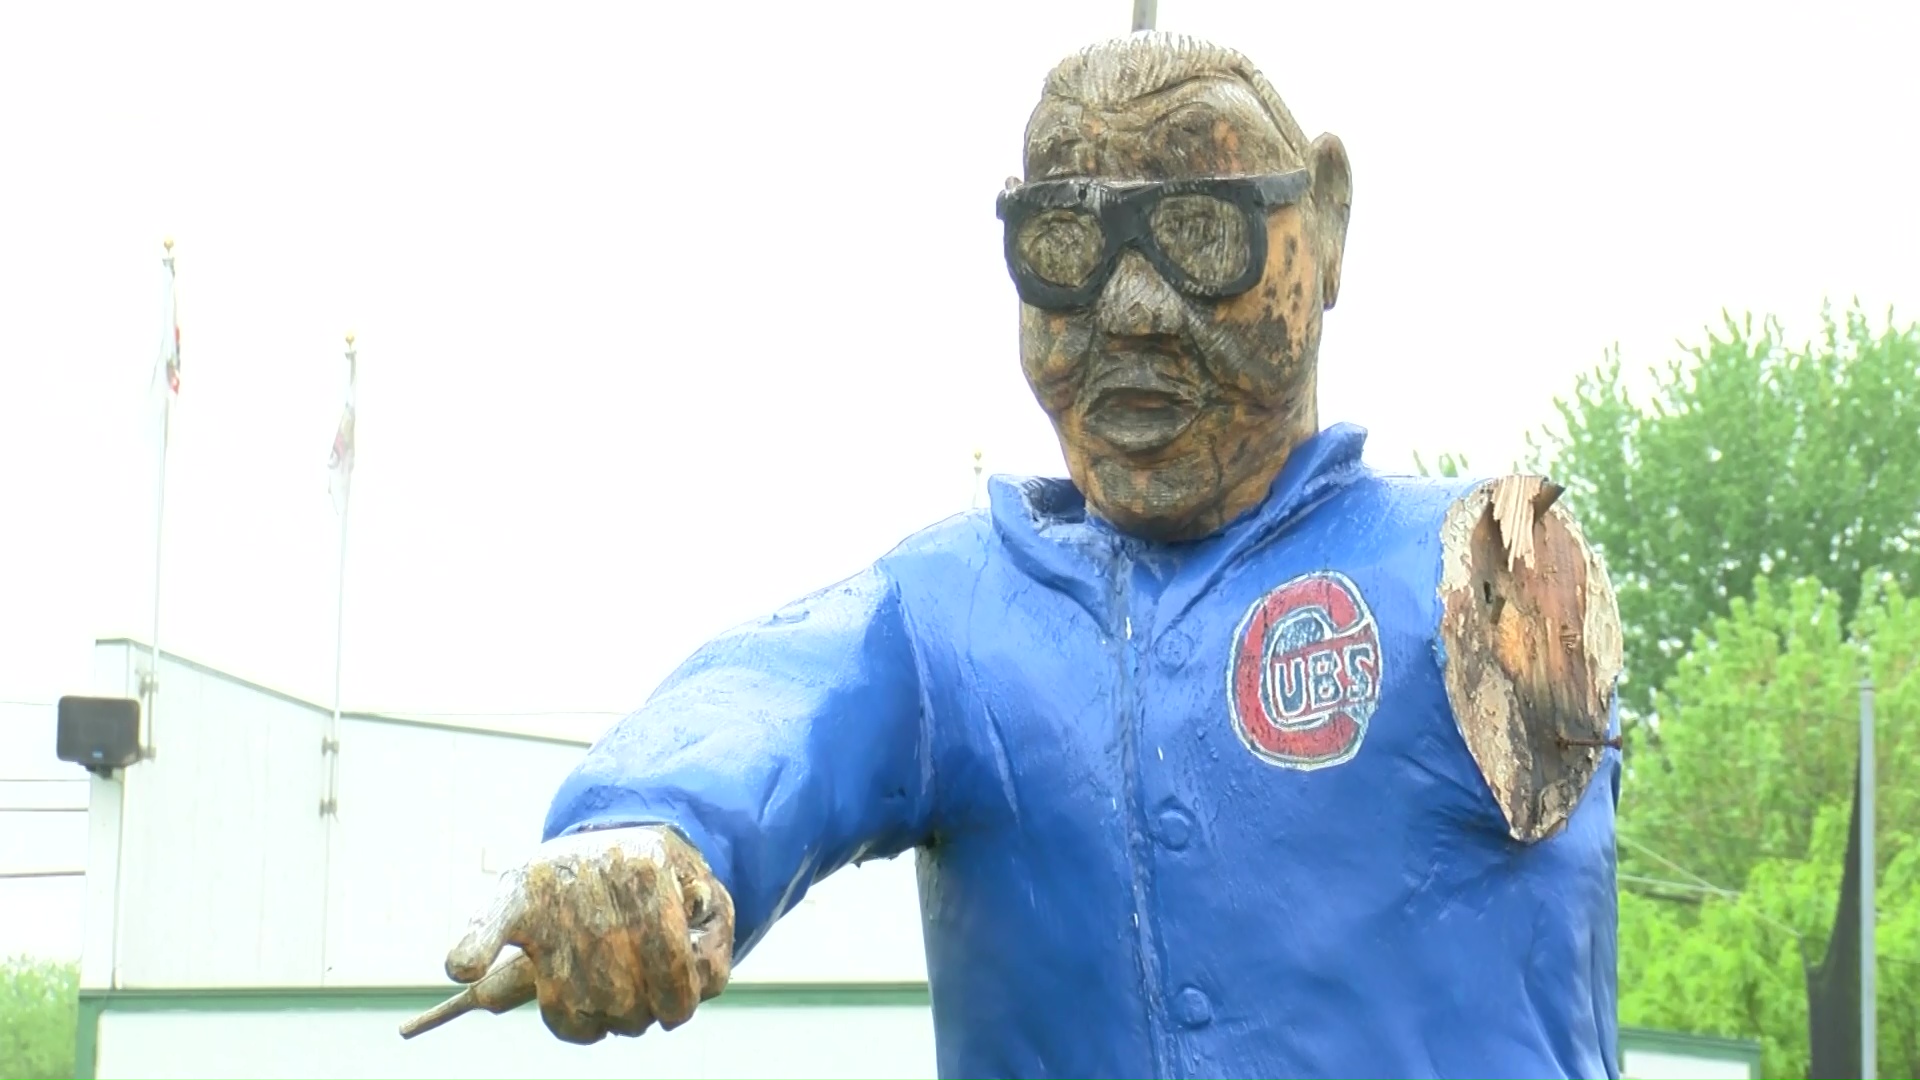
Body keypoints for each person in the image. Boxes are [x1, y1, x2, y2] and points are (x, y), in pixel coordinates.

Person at [431, 30, 1626, 1080]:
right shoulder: (958, 614)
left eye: (1200, 233)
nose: (1139, 307)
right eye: (1069, 247)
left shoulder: (1477, 570)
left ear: (1323, 224)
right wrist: (646, 825)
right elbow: (781, 691)